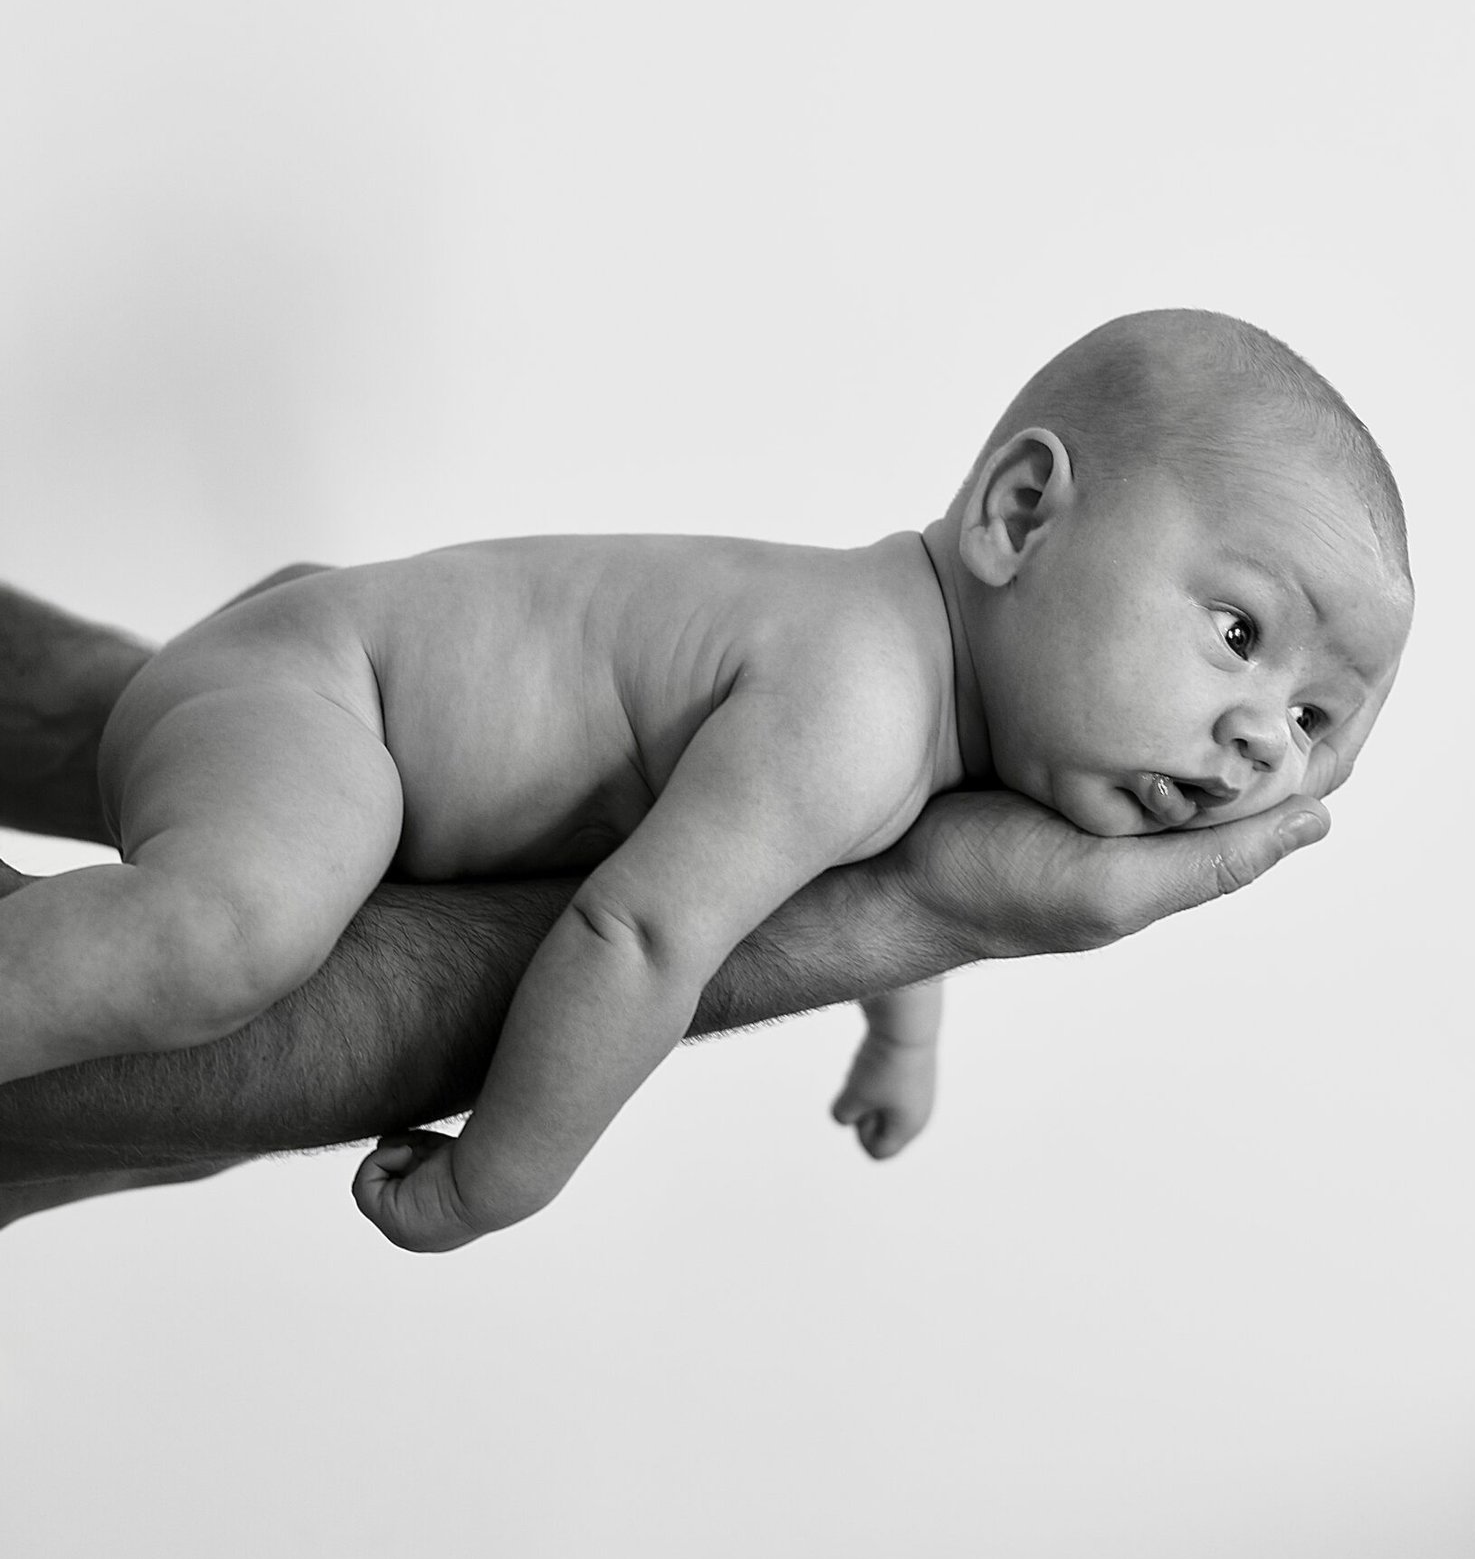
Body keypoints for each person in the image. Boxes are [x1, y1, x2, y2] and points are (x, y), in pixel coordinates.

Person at [0, 310, 1403, 1247]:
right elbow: (638, 932)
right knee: (231, 940)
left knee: (169, 1109)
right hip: (323, 700)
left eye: (1318, 715)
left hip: (317, 674)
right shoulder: (858, 697)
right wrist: (503, 1172)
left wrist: (899, 1033)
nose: (1265, 740)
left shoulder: (908, 700)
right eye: (1238, 632)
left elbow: (861, 851)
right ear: (1019, 513)